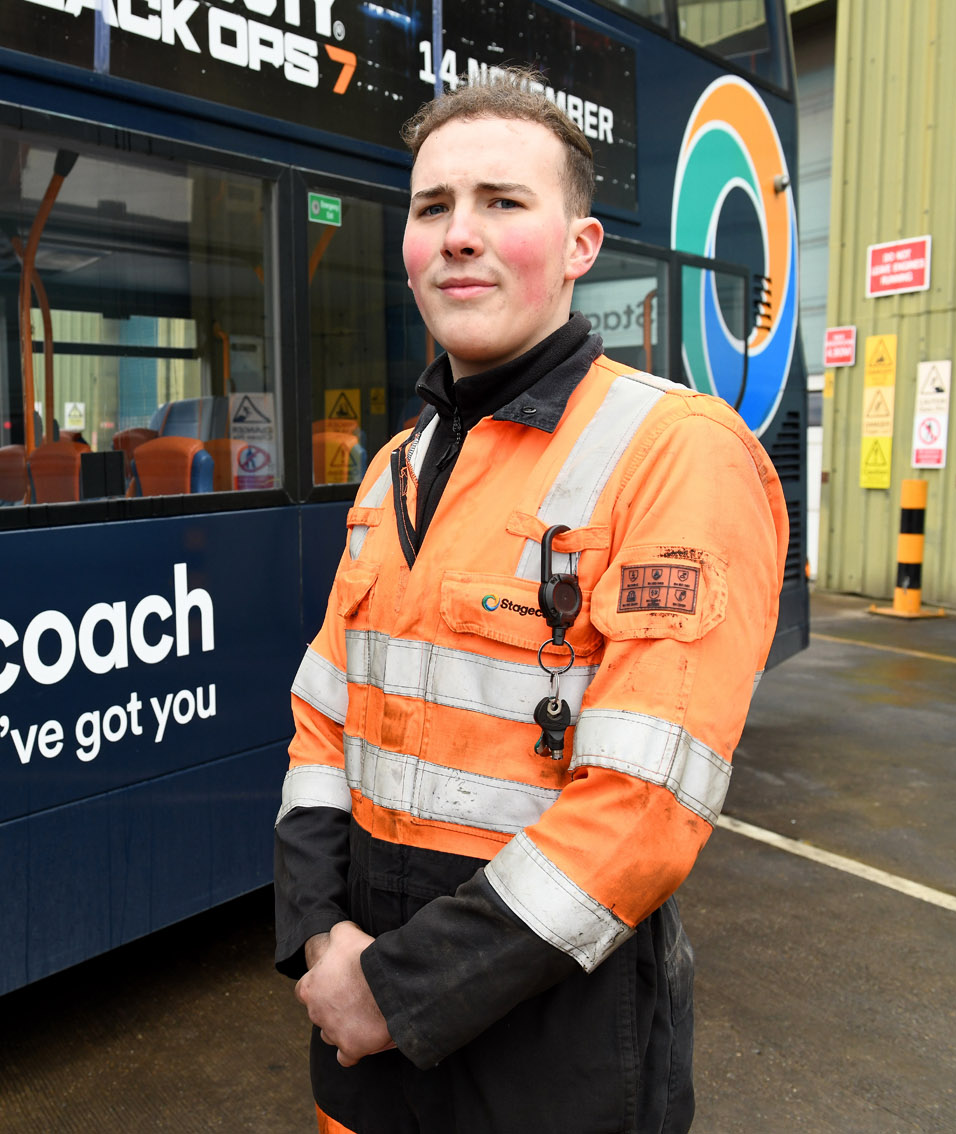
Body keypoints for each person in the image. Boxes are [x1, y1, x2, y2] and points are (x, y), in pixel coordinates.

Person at [274, 71, 788, 1134]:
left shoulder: (675, 454)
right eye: (431, 208)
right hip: (364, 1048)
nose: (458, 234)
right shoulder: (393, 471)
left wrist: (394, 989)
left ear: (578, 249)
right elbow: (322, 722)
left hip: (548, 1060)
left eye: (502, 203)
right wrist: (320, 940)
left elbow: (642, 810)